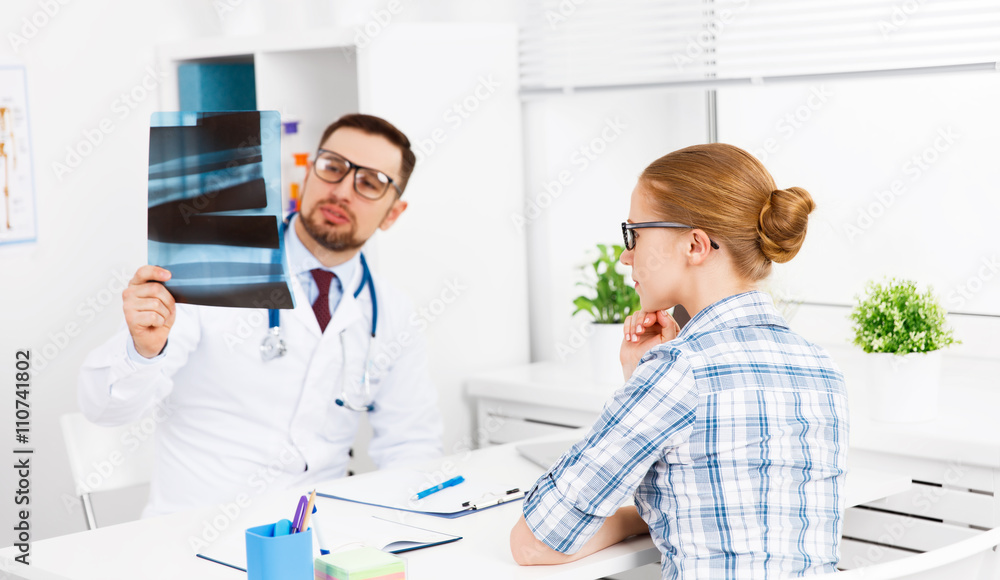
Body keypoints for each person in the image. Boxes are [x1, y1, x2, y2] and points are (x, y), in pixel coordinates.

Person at [78, 113, 443, 518]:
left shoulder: (392, 312)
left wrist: (408, 524)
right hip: (196, 534)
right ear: (308, 172)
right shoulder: (207, 269)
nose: (341, 191)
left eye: (371, 183)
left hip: (319, 533)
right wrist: (143, 351)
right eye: (333, 167)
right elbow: (104, 409)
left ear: (393, 213)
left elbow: (411, 444)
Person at [510, 143, 849, 578]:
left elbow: (533, 543)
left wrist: (649, 381)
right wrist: (641, 378)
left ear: (694, 245)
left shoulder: (679, 370)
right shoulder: (822, 369)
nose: (625, 255)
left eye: (634, 234)